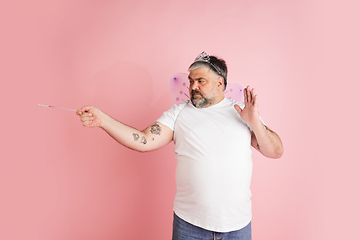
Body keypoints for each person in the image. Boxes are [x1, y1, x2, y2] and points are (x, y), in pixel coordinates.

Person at [76, 51, 283, 240]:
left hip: (237, 226)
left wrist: (255, 122)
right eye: (191, 81)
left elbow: (275, 151)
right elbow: (144, 140)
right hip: (190, 226)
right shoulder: (179, 113)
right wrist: (103, 120)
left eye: (201, 81)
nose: (193, 87)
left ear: (220, 83)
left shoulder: (243, 113)